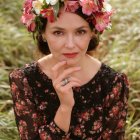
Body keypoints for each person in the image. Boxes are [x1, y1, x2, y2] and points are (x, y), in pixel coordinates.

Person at [9, 0, 129, 139]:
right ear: (43, 34)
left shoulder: (113, 83)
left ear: (92, 32)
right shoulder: (23, 80)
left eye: (80, 32)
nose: (70, 44)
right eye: (58, 32)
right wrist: (65, 108)